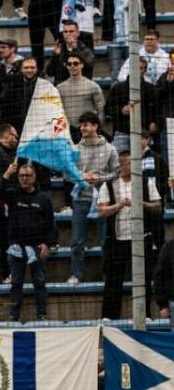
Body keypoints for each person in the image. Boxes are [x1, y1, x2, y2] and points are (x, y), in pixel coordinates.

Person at [98, 151, 162, 319]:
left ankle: (145, 315)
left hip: (142, 238)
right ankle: (109, 317)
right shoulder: (109, 185)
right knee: (112, 280)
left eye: (127, 163)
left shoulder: (146, 183)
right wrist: (119, 205)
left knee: (144, 279)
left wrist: (140, 203)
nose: (124, 166)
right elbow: (102, 211)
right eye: (122, 163)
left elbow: (157, 206)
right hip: (116, 239)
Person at [3, 162, 57, 321]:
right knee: (16, 283)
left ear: (35, 177)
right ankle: (14, 316)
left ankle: (42, 314)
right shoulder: (12, 194)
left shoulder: (44, 198)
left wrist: (47, 243)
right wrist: (7, 174)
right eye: (21, 176)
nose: (24, 178)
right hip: (16, 247)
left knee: (39, 281)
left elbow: (51, 224)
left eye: (28, 175)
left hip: (37, 247)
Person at [69, 112, 118, 285]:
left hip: (103, 200)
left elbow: (116, 173)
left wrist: (100, 178)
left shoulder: (110, 149)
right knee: (77, 241)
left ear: (96, 126)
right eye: (81, 125)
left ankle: (107, 275)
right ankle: (76, 274)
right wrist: (82, 176)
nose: (83, 128)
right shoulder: (74, 149)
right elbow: (67, 174)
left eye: (87, 124)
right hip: (80, 199)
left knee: (106, 240)